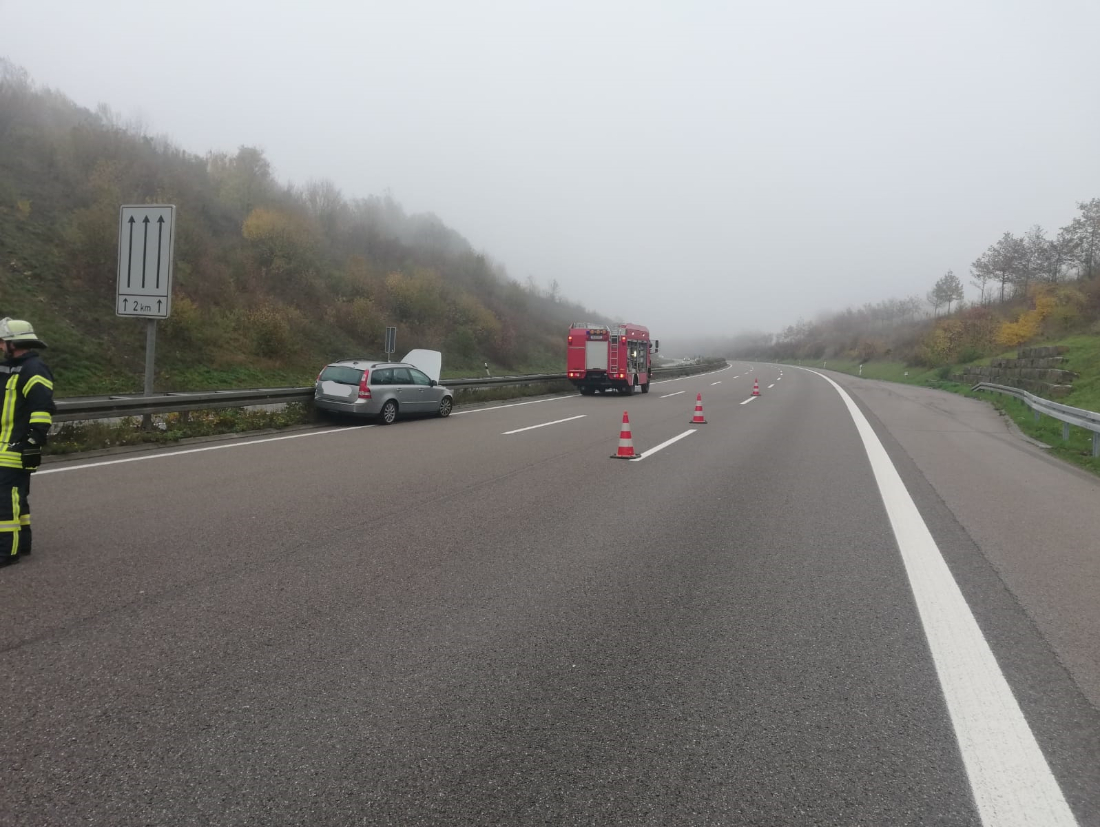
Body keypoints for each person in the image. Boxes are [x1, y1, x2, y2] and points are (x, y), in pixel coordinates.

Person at [0, 318, 55, 567]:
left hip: (16, 448)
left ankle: (6, 552)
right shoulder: (8, 368)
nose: (0, 346)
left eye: (3, 342)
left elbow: (42, 409)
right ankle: (22, 544)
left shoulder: (34, 369)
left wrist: (33, 442)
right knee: (16, 499)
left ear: (14, 344)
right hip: (5, 446)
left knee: (5, 502)